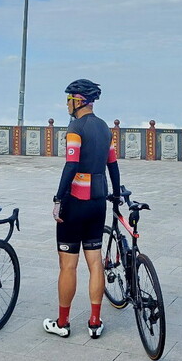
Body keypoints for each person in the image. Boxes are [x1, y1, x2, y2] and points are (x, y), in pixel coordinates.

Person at [45, 79, 121, 339]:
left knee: (68, 265)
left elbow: (71, 165)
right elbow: (112, 165)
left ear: (79, 100)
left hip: (75, 202)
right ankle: (95, 322)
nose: (66, 104)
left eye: (69, 99)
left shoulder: (76, 127)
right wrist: (117, 193)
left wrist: (58, 199)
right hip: (98, 201)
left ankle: (63, 323)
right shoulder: (104, 128)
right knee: (95, 262)